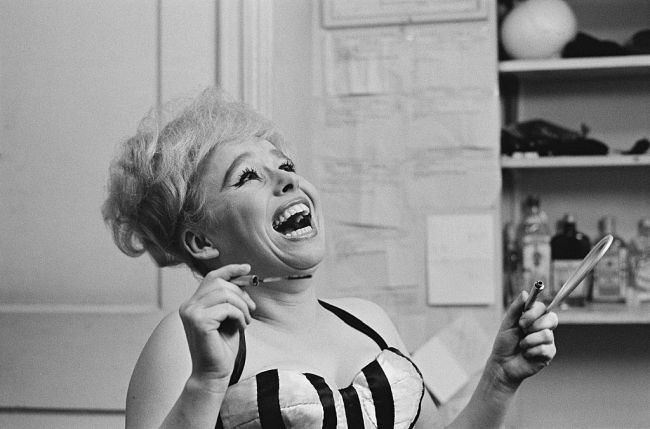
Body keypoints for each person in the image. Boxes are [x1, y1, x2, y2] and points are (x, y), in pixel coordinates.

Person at [103, 87, 558, 429]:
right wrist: (205, 382)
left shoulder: (370, 320)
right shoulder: (184, 341)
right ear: (201, 241)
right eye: (247, 177)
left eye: (286, 166)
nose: (287, 181)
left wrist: (499, 379)